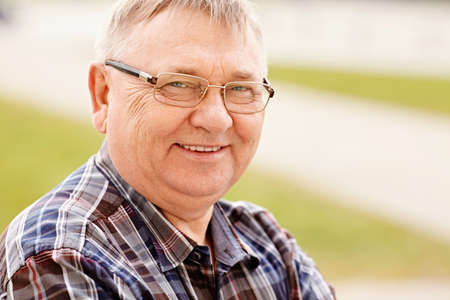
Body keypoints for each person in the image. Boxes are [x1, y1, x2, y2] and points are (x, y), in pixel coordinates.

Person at [0, 0, 335, 299]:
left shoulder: (269, 245)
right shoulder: (62, 257)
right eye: (179, 84)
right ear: (103, 94)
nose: (217, 120)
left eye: (240, 88)